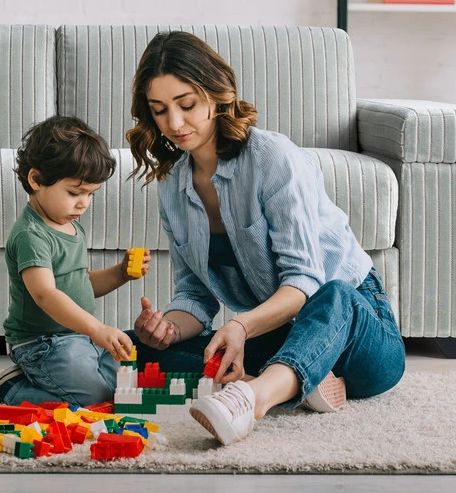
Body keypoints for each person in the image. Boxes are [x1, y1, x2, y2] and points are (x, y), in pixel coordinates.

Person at [125, 31, 404, 445]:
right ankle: (299, 380)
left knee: (334, 293)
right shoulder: (174, 186)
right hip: (281, 337)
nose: (175, 124)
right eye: (160, 111)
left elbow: (305, 282)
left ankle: (252, 398)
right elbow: (196, 298)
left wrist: (240, 325)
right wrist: (165, 329)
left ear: (217, 95)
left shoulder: (272, 158)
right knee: (134, 349)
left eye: (187, 105)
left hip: (358, 331)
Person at [0, 115, 151, 406]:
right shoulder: (31, 235)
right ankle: (12, 389)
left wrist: (120, 273)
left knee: (122, 386)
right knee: (95, 398)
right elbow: (46, 294)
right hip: (42, 344)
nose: (84, 203)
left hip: (79, 336)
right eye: (74, 193)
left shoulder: (71, 225)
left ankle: (55, 378)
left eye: (91, 194)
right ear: (36, 179)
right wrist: (96, 328)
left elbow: (78, 283)